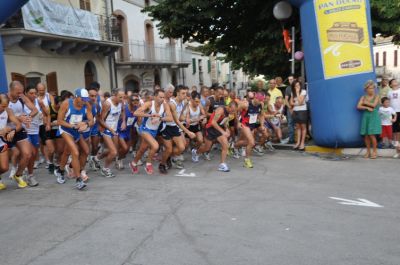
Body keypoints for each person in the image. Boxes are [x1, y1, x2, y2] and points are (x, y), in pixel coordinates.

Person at [54, 88, 94, 189]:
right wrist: (73, 126)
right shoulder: (66, 103)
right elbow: (59, 121)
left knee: (84, 150)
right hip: (65, 129)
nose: (84, 102)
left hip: (76, 130)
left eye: (86, 100)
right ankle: (78, 179)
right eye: (82, 99)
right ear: (76, 97)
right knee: (75, 152)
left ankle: (60, 170)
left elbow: (91, 121)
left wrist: (85, 123)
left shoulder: (86, 105)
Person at [130, 89, 172, 175]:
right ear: (155, 97)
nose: (162, 99)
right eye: (160, 97)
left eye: (163, 97)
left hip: (154, 130)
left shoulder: (165, 105)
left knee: (142, 149)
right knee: (155, 146)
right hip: (145, 129)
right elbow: (136, 113)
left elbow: (170, 118)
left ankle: (133, 163)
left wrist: (159, 118)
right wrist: (150, 115)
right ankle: (148, 164)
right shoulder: (149, 104)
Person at [7, 81, 38, 188]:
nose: (20, 94)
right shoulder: (4, 99)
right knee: (9, 156)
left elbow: (35, 110)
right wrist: (18, 118)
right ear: (10, 90)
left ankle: (18, 175)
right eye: (17, 92)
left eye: (21, 92)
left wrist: (28, 117)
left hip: (20, 129)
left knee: (28, 154)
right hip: (6, 131)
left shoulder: (22, 97)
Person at [192, 101, 237, 172]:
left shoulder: (229, 112)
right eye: (233, 110)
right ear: (229, 107)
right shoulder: (221, 110)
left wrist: (227, 129)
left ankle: (222, 164)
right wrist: (223, 132)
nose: (233, 112)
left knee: (225, 145)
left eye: (235, 111)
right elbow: (213, 122)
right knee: (207, 148)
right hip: (210, 129)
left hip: (218, 129)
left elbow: (224, 121)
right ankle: (196, 152)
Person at [160, 86, 195, 171]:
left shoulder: (184, 102)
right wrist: (188, 132)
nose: (185, 95)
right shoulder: (172, 104)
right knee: (169, 149)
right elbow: (177, 121)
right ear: (178, 94)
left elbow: (180, 116)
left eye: (186, 93)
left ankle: (169, 157)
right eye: (183, 93)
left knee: (182, 148)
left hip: (175, 126)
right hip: (166, 127)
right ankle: (162, 164)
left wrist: (189, 119)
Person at [98, 88, 126, 177]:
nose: (122, 99)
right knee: (113, 152)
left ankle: (96, 158)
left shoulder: (121, 103)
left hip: (115, 129)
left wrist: (124, 121)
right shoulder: (107, 104)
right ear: (114, 96)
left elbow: (123, 111)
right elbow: (101, 120)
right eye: (120, 97)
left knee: (114, 150)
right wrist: (110, 129)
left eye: (123, 97)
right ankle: (105, 169)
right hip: (106, 129)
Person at [234, 92, 266, 168]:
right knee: (251, 142)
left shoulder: (261, 105)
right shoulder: (246, 104)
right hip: (244, 124)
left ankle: (234, 146)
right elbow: (236, 111)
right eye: (258, 99)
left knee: (246, 142)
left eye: (261, 100)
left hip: (252, 125)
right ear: (255, 98)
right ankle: (247, 160)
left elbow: (261, 115)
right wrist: (238, 122)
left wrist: (262, 125)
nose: (259, 101)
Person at [24, 86, 47, 186]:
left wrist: (43, 115)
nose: (33, 95)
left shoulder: (38, 102)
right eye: (31, 93)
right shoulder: (22, 103)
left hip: (35, 131)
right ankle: (29, 174)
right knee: (31, 153)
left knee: (33, 155)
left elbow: (47, 113)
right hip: (25, 131)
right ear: (26, 93)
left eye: (35, 93)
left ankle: (27, 173)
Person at [0, 94, 22, 190]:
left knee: (5, 167)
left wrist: (12, 130)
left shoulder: (8, 111)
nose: (4, 108)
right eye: (3, 106)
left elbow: (18, 125)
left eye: (6, 105)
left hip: (1, 143)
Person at [357, 80, 381, 159]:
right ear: (366, 89)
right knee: (366, 135)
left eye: (372, 88)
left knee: (371, 134)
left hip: (374, 116)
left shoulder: (377, 96)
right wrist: (366, 107)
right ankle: (368, 151)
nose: (371, 90)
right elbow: (358, 106)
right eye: (369, 88)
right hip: (366, 116)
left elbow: (374, 105)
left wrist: (365, 102)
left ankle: (375, 151)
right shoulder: (363, 97)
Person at [116, 94, 139, 169]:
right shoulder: (125, 108)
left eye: (137, 100)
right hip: (120, 131)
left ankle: (119, 158)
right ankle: (118, 159)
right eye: (134, 100)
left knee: (127, 149)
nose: (136, 101)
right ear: (130, 101)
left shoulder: (137, 109)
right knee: (125, 148)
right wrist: (123, 122)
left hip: (128, 131)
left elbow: (136, 122)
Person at [290, 80, 308, 151]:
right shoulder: (292, 92)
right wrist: (296, 104)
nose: (297, 87)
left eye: (298, 85)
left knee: (303, 127)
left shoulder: (303, 91)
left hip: (302, 111)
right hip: (295, 111)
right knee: (298, 127)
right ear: (293, 86)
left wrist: (297, 93)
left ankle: (302, 143)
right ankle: (298, 142)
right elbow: (291, 103)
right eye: (296, 86)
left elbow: (300, 102)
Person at [387, 79, 400, 146]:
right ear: (391, 85)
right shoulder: (389, 92)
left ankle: (398, 141)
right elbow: (388, 102)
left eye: (396, 81)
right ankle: (396, 142)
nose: (396, 82)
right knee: (395, 128)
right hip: (393, 112)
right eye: (394, 81)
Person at [284, 75, 295, 143]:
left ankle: (299, 139)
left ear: (294, 79)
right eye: (289, 79)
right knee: (290, 124)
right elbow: (286, 100)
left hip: (298, 108)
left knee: (299, 124)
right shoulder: (288, 88)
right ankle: (291, 139)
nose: (290, 81)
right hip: (290, 108)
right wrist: (290, 107)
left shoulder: (298, 87)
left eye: (291, 79)